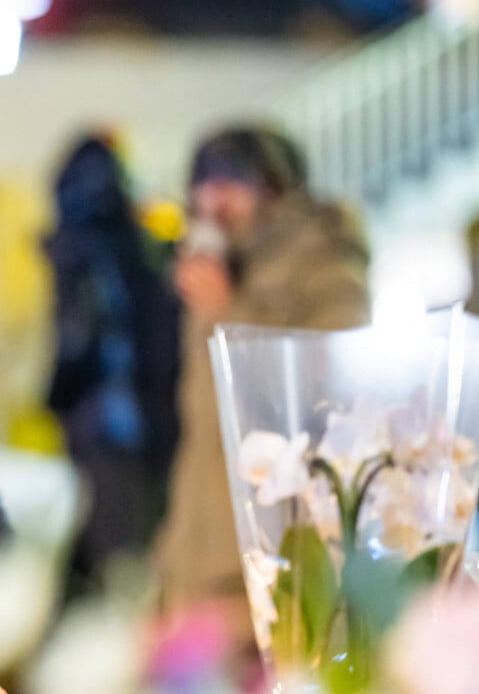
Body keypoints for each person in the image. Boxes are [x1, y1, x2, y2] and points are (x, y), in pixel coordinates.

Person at [154, 125, 369, 617]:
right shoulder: (218, 267)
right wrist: (172, 556)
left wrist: (228, 311)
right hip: (200, 555)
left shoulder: (323, 259)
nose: (212, 200)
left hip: (277, 552)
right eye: (202, 184)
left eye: (229, 182)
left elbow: (329, 392)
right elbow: (202, 434)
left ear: (276, 187)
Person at [42, 133, 181, 584]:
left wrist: (56, 399)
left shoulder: (79, 252)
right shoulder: (144, 247)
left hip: (114, 426)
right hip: (145, 422)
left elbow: (78, 343)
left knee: (122, 557)